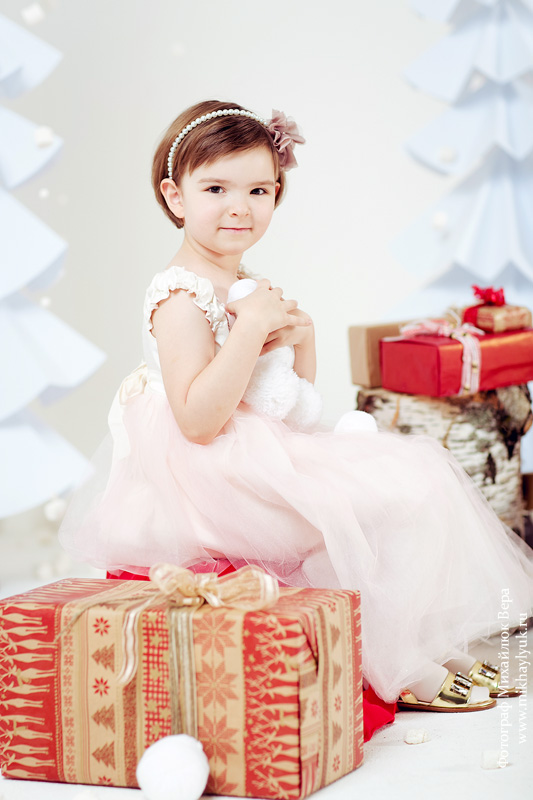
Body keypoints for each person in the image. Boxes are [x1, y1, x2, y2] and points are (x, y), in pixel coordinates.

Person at [59, 100, 533, 714]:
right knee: (346, 510)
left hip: (257, 443)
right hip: (201, 471)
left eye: (258, 190)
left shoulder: (243, 280)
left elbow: (288, 400)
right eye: (216, 189)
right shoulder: (179, 294)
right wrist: (251, 329)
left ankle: (421, 640)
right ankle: (399, 663)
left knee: (413, 480)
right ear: (175, 197)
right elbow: (198, 420)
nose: (240, 207)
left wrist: (301, 337)